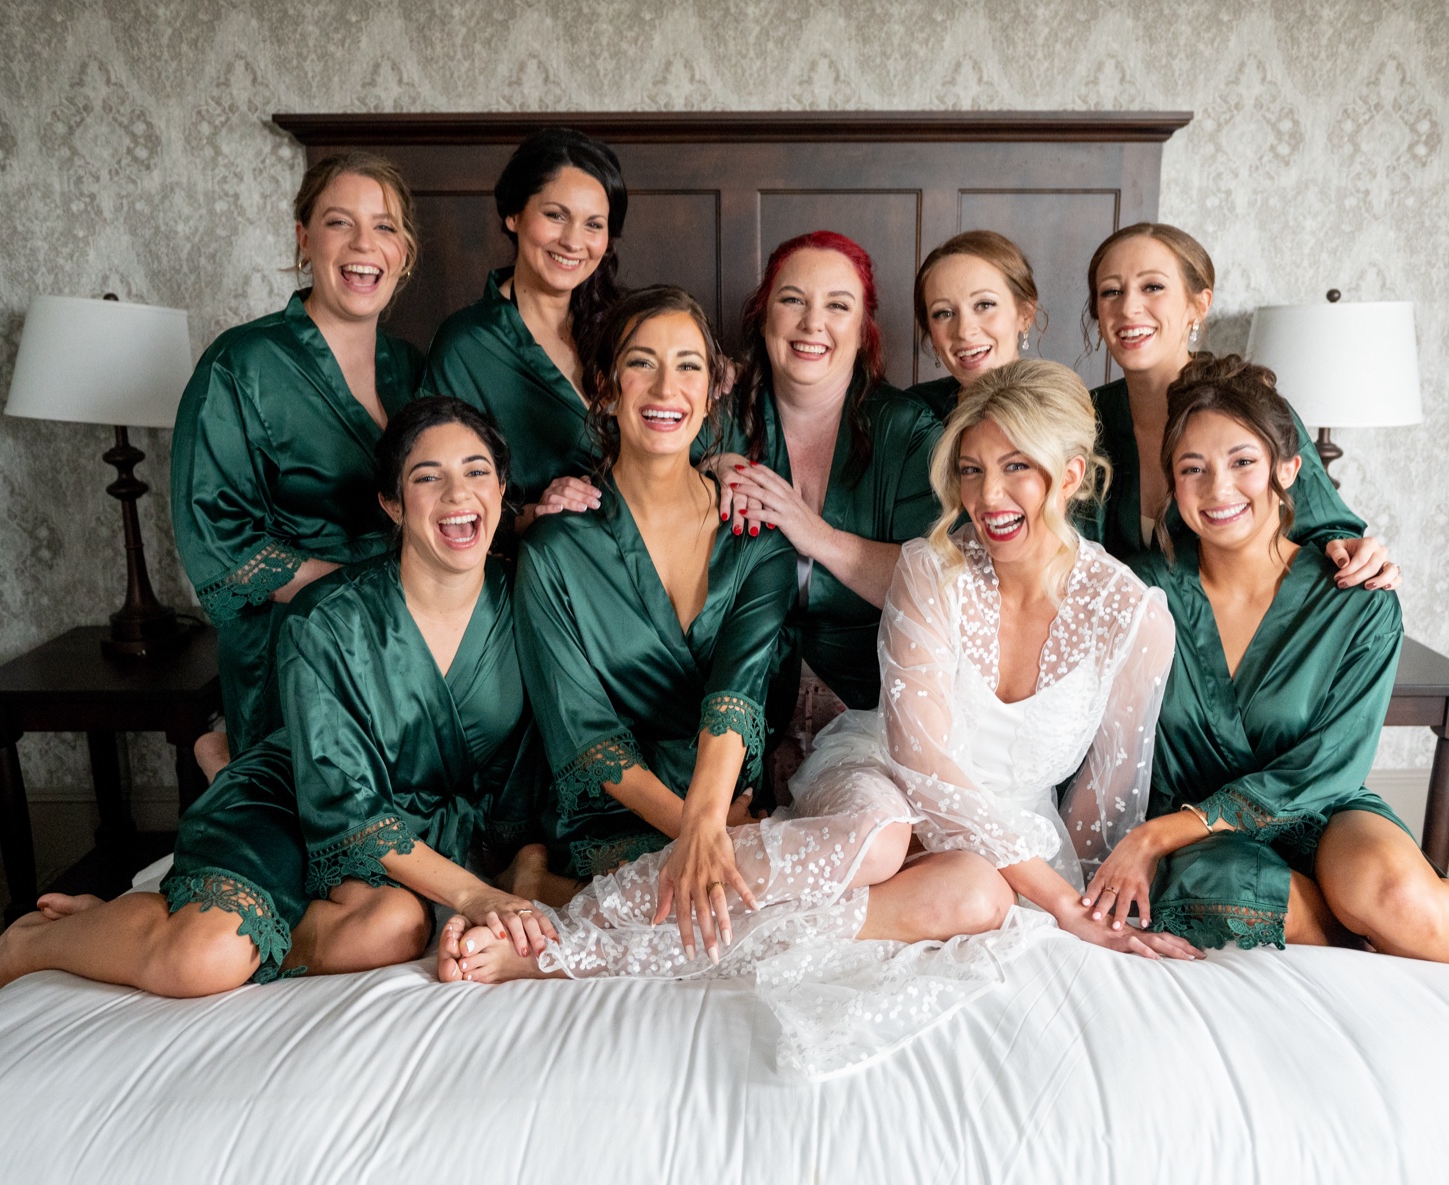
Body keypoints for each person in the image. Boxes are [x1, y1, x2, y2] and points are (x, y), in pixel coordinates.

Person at [450, 361, 1200, 1034]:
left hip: (1008, 837)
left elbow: (1100, 806)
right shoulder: (930, 569)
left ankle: (723, 931)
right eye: (970, 470)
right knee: (879, 834)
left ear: (1070, 475)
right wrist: (1061, 901)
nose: (986, 497)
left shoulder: (1134, 618)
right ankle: (573, 940)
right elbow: (924, 761)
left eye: (1015, 468)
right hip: (883, 776)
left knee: (979, 899)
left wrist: (1076, 903)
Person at [0, 398, 551, 1015]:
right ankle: (35, 942)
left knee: (393, 929)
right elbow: (341, 802)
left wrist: (515, 888)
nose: (457, 493)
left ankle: (165, 921)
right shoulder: (328, 618)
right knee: (205, 960)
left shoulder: (529, 603)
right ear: (392, 503)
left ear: (502, 489)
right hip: (292, 801)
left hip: (411, 833)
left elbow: (527, 780)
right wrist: (474, 895)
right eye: (428, 477)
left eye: (476, 471)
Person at [1079, 357, 1449, 984]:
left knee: (1387, 886)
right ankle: (1374, 951)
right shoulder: (1139, 593)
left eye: (1242, 462)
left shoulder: (1356, 598)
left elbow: (1329, 769)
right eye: (1192, 469)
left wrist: (1153, 837)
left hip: (1319, 808)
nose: (1217, 489)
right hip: (1200, 836)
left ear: (1288, 470)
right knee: (1226, 882)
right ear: (1172, 485)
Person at [510, 286, 796, 888]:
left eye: (688, 366)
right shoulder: (553, 552)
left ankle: (551, 895)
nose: (667, 390)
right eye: (642, 363)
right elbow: (583, 732)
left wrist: (708, 822)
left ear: (711, 388)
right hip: (613, 818)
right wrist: (699, 837)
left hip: (721, 801)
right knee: (735, 893)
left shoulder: (757, 544)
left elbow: (735, 701)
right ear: (607, 387)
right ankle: (545, 885)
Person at [172, 151, 424, 772]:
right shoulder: (241, 365)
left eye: (385, 226)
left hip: (413, 626)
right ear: (304, 239)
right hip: (296, 634)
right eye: (340, 223)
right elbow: (218, 536)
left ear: (405, 252)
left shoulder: (413, 369)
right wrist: (366, 591)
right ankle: (233, 760)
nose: (365, 244)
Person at [707, 232, 945, 768]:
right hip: (722, 710)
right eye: (793, 300)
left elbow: (935, 590)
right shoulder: (713, 417)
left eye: (838, 306)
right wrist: (705, 469)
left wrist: (816, 535)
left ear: (863, 332)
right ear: (763, 316)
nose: (813, 323)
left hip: (876, 712)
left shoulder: (907, 431)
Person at [1081, 222, 1398, 589]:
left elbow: (1328, 532)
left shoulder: (1248, 409)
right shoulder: (1082, 419)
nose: (1129, 307)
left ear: (1199, 305)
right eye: (1111, 292)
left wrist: (1360, 556)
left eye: (1152, 287)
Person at [421, 127, 627, 533]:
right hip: (534, 566)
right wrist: (533, 514)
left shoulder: (628, 329)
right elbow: (436, 493)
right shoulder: (465, 345)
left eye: (593, 225)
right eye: (555, 215)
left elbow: (694, 441)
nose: (572, 241)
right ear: (513, 215)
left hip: (649, 555)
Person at [909, 229, 1041, 421]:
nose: (964, 331)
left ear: (1025, 314)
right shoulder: (914, 413)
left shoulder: (1065, 411)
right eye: (944, 313)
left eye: (984, 305)